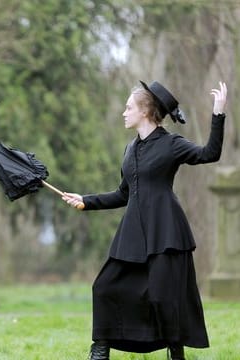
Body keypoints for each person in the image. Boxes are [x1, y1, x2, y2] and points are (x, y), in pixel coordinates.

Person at [61, 80, 227, 360]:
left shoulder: (172, 144)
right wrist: (86, 200)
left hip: (166, 233)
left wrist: (218, 113)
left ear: (145, 112)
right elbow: (123, 194)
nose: (124, 113)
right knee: (104, 286)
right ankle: (100, 351)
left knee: (164, 298)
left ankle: (176, 354)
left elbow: (209, 154)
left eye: (128, 108)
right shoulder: (129, 150)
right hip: (133, 235)